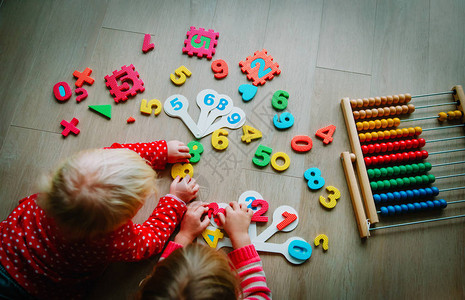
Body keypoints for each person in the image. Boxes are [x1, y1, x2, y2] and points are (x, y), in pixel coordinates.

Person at [0, 140, 198, 300]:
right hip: (31, 290)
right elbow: (149, 241)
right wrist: (175, 201)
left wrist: (161, 150)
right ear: (123, 221)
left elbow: (111, 158)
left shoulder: (63, 184)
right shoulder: (108, 240)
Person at [136, 201, 272, 300]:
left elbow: (165, 277)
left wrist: (185, 235)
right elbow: (258, 294)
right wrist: (240, 235)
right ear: (235, 290)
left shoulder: (156, 293)